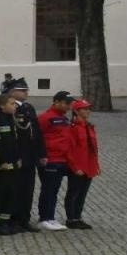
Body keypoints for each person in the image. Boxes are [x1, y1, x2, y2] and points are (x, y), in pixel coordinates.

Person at [5, 78, 42, 231]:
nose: (26, 92)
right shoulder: (10, 109)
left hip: (30, 156)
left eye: (26, 90)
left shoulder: (28, 108)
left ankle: (24, 219)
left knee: (28, 189)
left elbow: (37, 133)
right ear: (13, 92)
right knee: (15, 189)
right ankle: (13, 220)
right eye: (22, 90)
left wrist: (41, 154)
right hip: (17, 155)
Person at [37, 90, 75, 230]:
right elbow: (37, 138)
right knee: (48, 189)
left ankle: (50, 217)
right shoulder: (46, 118)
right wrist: (42, 156)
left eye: (70, 104)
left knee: (54, 189)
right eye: (66, 103)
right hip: (50, 160)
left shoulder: (64, 118)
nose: (69, 106)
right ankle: (45, 218)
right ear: (56, 102)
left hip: (62, 159)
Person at [0, 93, 24, 235]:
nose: (15, 106)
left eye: (15, 103)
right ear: (2, 106)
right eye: (11, 103)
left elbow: (15, 142)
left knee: (10, 194)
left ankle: (5, 221)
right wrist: (0, 160)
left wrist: (18, 158)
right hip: (1, 166)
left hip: (12, 164)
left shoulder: (11, 120)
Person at [64, 99, 99, 229]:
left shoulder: (89, 126)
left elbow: (93, 149)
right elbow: (68, 150)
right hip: (78, 166)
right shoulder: (72, 128)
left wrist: (96, 165)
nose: (87, 111)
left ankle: (78, 217)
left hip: (89, 166)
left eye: (88, 108)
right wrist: (74, 167)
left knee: (82, 194)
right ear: (76, 111)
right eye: (84, 109)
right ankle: (71, 219)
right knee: (73, 193)